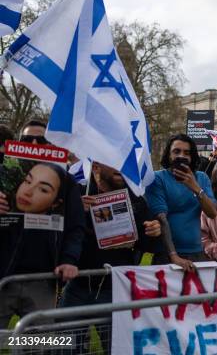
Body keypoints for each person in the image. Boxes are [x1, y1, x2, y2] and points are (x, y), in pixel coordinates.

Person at [58, 162, 162, 353]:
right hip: (77, 288)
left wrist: (154, 232)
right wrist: (74, 211)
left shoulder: (136, 198)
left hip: (115, 291)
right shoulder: (77, 192)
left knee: (118, 348)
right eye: (113, 162)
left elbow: (148, 245)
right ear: (96, 167)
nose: (121, 167)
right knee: (64, 347)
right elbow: (57, 234)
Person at [0, 121, 85, 328]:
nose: (35, 143)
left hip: (42, 281)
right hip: (2, 278)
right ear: (18, 144)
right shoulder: (3, 174)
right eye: (29, 140)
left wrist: (68, 259)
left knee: (39, 344)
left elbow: (76, 227)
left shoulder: (67, 182)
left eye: (42, 139)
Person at [145, 134, 217, 271]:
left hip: (197, 253)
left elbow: (212, 213)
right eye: (176, 151)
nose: (181, 156)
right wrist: (174, 256)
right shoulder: (157, 179)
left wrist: (195, 187)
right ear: (168, 155)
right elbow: (161, 219)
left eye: (187, 153)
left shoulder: (201, 178)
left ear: (192, 157)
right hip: (167, 256)